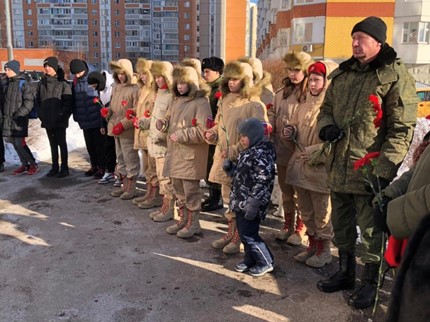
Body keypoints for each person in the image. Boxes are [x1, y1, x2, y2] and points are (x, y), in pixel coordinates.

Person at [316, 16, 418, 309]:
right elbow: (327, 109)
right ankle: (345, 272)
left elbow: (401, 130)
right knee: (341, 224)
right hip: (339, 165)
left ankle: (370, 284)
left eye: (361, 38)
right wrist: (326, 127)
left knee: (371, 231)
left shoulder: (393, 75)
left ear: (378, 42)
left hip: (369, 169)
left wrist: (385, 170)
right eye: (353, 37)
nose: (355, 43)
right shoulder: (344, 74)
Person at [205, 61, 268, 255]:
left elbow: (257, 136)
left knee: (241, 200)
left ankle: (239, 237)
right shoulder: (224, 100)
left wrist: (234, 149)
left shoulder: (254, 104)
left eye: (236, 79)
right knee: (228, 199)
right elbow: (219, 124)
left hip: (242, 161)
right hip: (223, 157)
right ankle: (230, 232)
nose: (232, 83)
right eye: (230, 78)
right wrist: (212, 134)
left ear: (246, 80)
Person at [283, 61, 338, 268]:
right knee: (306, 211)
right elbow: (296, 127)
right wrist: (290, 131)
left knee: (322, 212)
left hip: (320, 170)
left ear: (327, 81)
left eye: (317, 80)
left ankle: (324, 251)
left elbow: (336, 142)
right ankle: (312, 246)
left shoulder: (333, 108)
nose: (313, 84)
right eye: (311, 80)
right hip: (300, 167)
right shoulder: (304, 104)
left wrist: (314, 152)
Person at [156, 65, 212, 238]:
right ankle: (183, 220)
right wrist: (163, 124)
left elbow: (204, 132)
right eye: (178, 83)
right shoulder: (176, 100)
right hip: (175, 153)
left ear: (192, 83)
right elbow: (169, 118)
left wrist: (181, 134)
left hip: (190, 156)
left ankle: (194, 223)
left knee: (191, 192)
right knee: (179, 190)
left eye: (184, 83)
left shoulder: (201, 103)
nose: (180, 86)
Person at [268, 51, 313, 245]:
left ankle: (300, 229)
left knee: (300, 192)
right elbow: (271, 112)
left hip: (299, 149)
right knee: (286, 191)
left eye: (297, 70)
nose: (292, 74)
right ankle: (287, 224)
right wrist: (268, 124)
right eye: (290, 69)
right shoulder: (281, 92)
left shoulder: (309, 94)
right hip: (282, 150)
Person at [230, 118, 276, 276]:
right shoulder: (249, 151)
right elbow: (244, 176)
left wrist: (254, 203)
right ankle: (250, 259)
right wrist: (232, 170)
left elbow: (262, 180)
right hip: (241, 201)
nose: (242, 140)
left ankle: (266, 261)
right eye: (241, 136)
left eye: (245, 136)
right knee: (244, 233)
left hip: (252, 203)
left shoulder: (261, 154)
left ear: (255, 135)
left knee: (249, 234)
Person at [145, 61, 175, 221]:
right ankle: (164, 205)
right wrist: (145, 122)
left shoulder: (171, 96)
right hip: (154, 142)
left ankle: (169, 208)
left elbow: (169, 120)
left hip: (164, 143)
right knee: (159, 174)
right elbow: (155, 117)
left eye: (160, 77)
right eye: (155, 77)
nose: (157, 80)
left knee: (166, 178)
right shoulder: (160, 94)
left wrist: (161, 133)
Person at [106, 58, 140, 200]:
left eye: (122, 73)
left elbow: (136, 110)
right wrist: (107, 112)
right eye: (118, 73)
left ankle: (132, 187)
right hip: (115, 128)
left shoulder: (135, 88)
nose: (120, 76)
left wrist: (124, 124)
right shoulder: (116, 87)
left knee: (129, 157)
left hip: (127, 130)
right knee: (120, 157)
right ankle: (124, 184)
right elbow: (115, 106)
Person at [131, 58, 162, 209]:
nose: (141, 76)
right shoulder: (142, 90)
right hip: (141, 131)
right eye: (140, 74)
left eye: (145, 74)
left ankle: (155, 195)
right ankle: (149, 192)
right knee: (147, 166)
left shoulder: (155, 91)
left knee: (153, 166)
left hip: (151, 132)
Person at [0, 60, 38, 175]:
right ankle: (24, 164)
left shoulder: (23, 83)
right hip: (8, 119)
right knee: (14, 143)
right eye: (5, 69)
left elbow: (29, 102)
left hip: (19, 120)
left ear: (15, 70)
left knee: (20, 144)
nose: (6, 72)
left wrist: (19, 114)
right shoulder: (6, 83)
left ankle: (33, 164)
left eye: (8, 70)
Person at [37, 57, 73, 177]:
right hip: (47, 119)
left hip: (59, 120)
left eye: (49, 66)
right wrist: (40, 114)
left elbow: (68, 103)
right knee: (52, 144)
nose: (47, 68)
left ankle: (64, 167)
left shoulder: (63, 83)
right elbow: (38, 100)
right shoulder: (42, 83)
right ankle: (54, 167)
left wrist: (61, 114)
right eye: (45, 66)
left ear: (55, 67)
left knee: (61, 143)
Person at [70, 59, 105, 179]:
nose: (77, 75)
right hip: (84, 118)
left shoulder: (94, 77)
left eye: (79, 73)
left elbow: (101, 98)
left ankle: (102, 166)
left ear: (84, 70)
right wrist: (76, 115)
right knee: (89, 145)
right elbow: (75, 100)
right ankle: (94, 165)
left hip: (96, 116)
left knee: (99, 145)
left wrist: (102, 118)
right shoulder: (75, 82)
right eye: (75, 74)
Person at [201, 56, 224, 211]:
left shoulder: (220, 89)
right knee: (208, 165)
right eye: (203, 71)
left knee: (215, 166)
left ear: (217, 72)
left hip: (217, 134)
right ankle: (212, 195)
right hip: (206, 133)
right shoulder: (206, 88)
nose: (204, 74)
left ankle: (217, 198)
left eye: (207, 71)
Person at [87, 70, 117, 184]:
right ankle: (109, 170)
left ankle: (117, 172)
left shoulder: (113, 87)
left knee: (116, 149)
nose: (94, 89)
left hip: (116, 121)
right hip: (106, 122)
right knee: (107, 147)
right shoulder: (101, 90)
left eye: (94, 86)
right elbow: (101, 108)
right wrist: (102, 124)